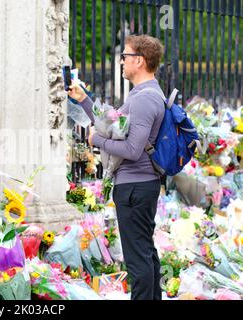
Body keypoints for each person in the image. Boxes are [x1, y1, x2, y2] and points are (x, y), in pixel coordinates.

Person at [68, 34, 166, 300]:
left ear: (140, 61)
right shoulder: (141, 95)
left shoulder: (145, 99)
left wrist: (95, 140)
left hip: (135, 186)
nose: (121, 61)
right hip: (137, 186)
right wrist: (84, 99)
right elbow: (113, 122)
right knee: (145, 253)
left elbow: (133, 150)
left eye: (125, 56)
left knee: (137, 260)